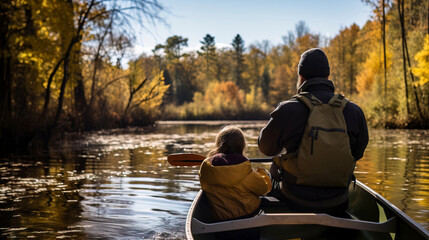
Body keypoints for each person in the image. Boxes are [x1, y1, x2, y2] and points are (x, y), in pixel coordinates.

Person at [258, 48, 369, 215]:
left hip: (294, 198)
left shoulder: (287, 109)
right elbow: (357, 153)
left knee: (274, 167)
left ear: (301, 78)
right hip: (338, 200)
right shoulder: (354, 111)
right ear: (327, 77)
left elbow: (266, 149)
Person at [199, 125, 272, 240]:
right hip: (248, 225)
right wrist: (262, 173)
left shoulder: (206, 169)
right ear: (242, 146)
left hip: (219, 226)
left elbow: (204, 185)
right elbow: (263, 189)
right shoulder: (245, 171)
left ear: (219, 143)